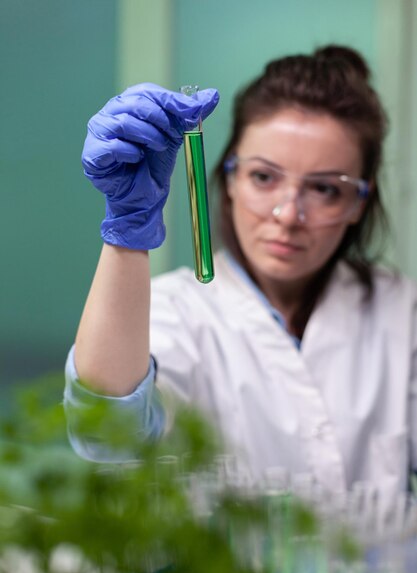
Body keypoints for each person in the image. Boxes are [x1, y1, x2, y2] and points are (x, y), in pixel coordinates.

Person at [64, 45, 417, 501]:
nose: (288, 214)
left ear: (358, 204)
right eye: (264, 177)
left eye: (326, 189)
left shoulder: (400, 310)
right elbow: (106, 435)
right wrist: (127, 234)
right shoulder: (175, 311)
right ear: (229, 177)